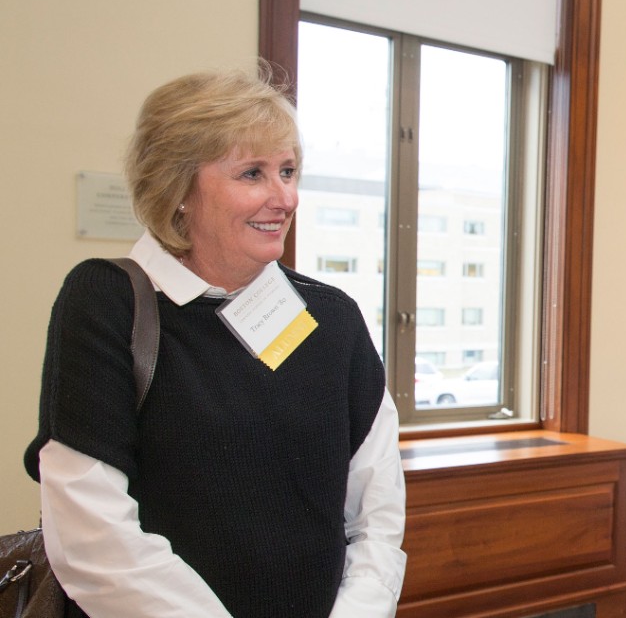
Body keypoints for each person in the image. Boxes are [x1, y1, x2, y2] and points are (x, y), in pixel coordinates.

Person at [24, 68, 407, 618]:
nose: (285, 197)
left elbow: (377, 514)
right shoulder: (106, 302)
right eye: (252, 174)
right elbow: (93, 535)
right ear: (178, 190)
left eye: (288, 171)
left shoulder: (332, 319)